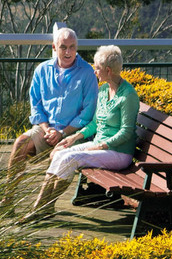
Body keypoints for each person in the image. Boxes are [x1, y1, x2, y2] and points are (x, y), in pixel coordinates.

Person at [28, 44, 139, 218]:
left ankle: (41, 209)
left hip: (118, 153)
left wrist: (101, 146)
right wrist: (72, 138)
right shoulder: (103, 91)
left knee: (71, 159)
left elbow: (126, 132)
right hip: (99, 146)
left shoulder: (128, 96)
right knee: (59, 153)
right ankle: (41, 207)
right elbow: (95, 123)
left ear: (108, 71)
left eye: (98, 68)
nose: (95, 71)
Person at [7, 26, 98, 178]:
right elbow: (35, 105)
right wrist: (47, 129)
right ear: (54, 47)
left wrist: (62, 132)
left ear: (76, 47)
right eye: (63, 47)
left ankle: (45, 202)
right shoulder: (42, 70)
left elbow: (88, 111)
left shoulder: (87, 72)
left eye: (72, 47)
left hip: (73, 134)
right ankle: (7, 198)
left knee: (58, 157)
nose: (68, 52)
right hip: (45, 131)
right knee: (20, 143)